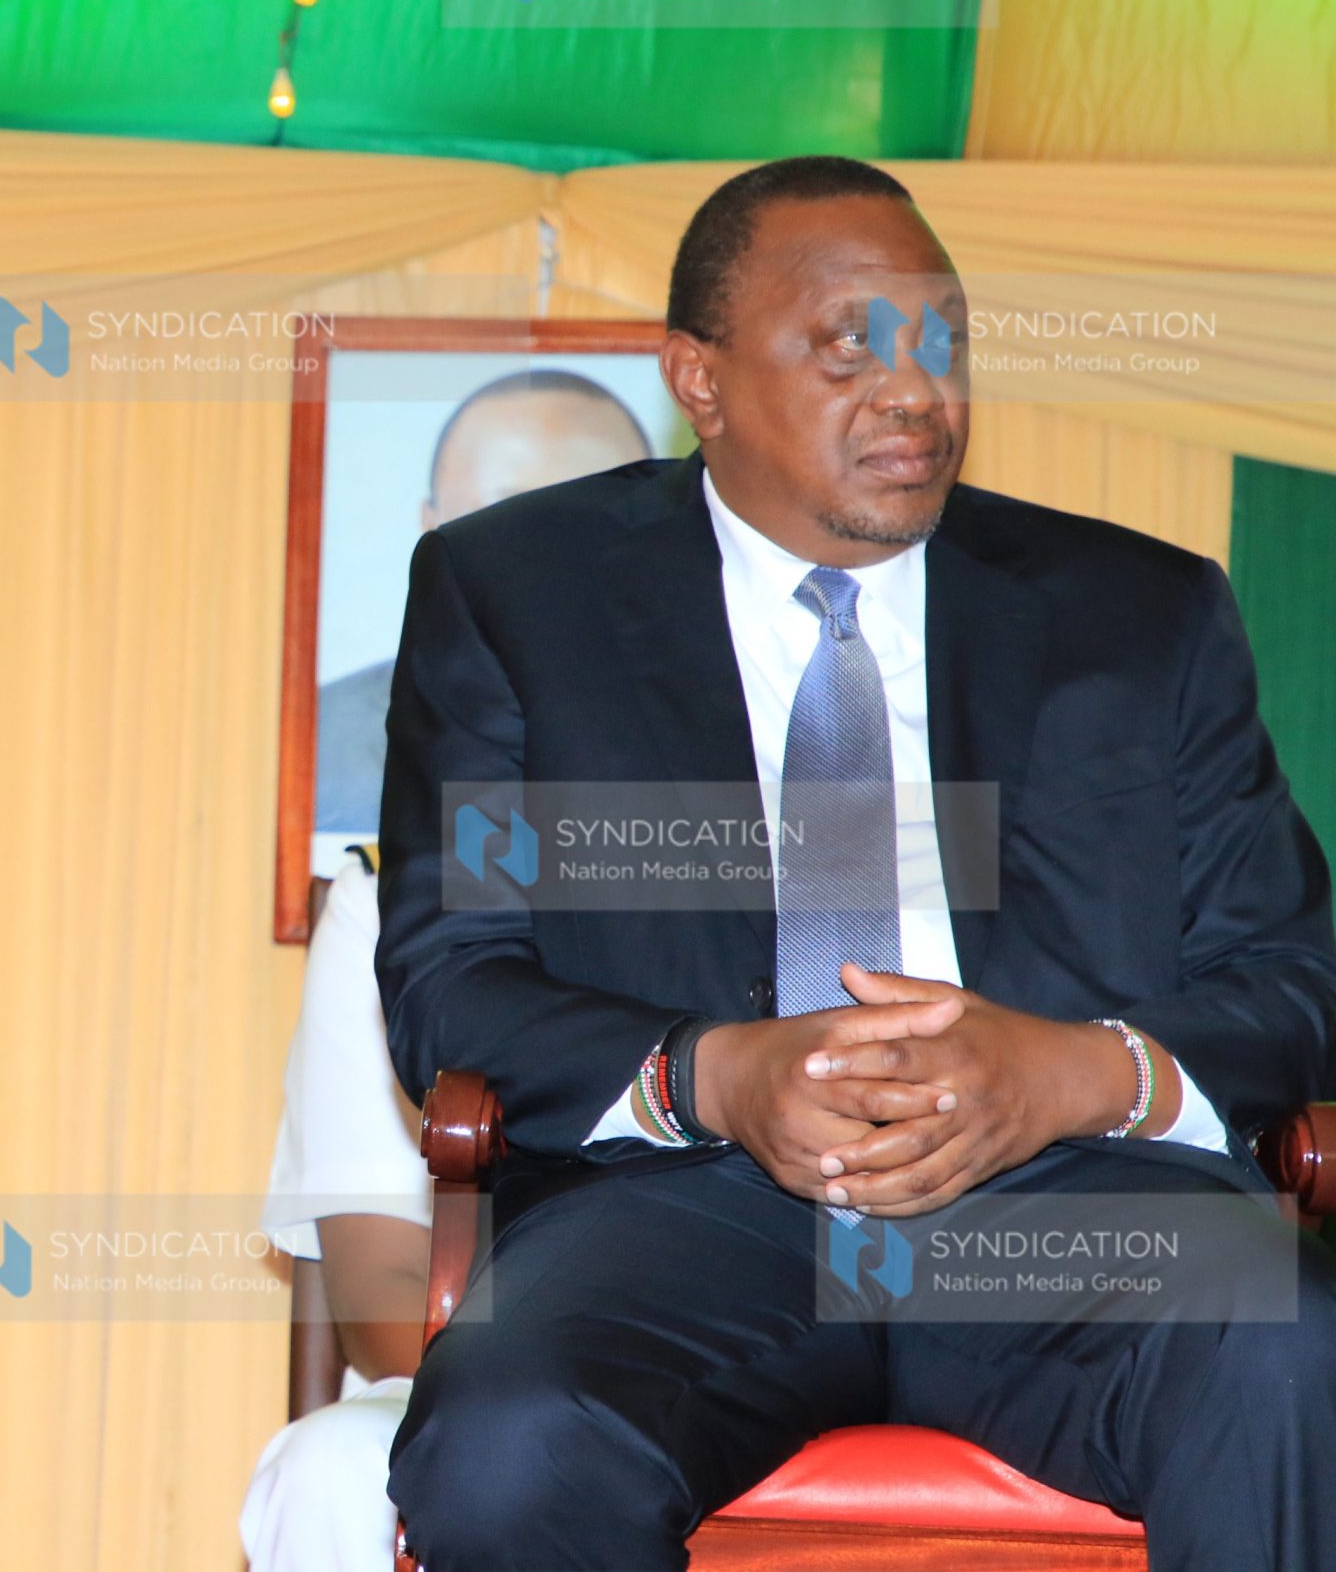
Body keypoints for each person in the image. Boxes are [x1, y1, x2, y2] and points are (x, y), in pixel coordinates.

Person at [377, 155, 1336, 1570]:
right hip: (682, 1210)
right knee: (514, 1426)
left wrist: (1065, 1072)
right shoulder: (519, 593)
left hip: (1062, 1201)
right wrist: (721, 1071)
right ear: (697, 378)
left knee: (1289, 1342)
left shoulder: (1138, 612)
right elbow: (454, 982)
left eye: (940, 341)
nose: (914, 391)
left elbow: (1292, 974)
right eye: (848, 347)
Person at [315, 373, 649, 834]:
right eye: (505, 518)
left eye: (596, 517)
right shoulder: (323, 744)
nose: (554, 553)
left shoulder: (741, 716)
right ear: (431, 531)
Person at [241, 846, 432, 1571]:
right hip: (464, 1375)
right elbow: (381, 1280)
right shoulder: (391, 897)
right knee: (331, 1473)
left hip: (735, 1372)